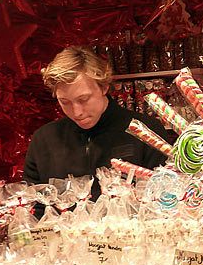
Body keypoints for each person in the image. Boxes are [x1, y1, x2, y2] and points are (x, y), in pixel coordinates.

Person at [23, 46, 168, 200]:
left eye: (83, 99)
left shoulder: (147, 132)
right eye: (64, 102)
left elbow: (164, 199)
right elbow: (35, 207)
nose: (77, 112)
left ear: (104, 87)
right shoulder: (44, 140)